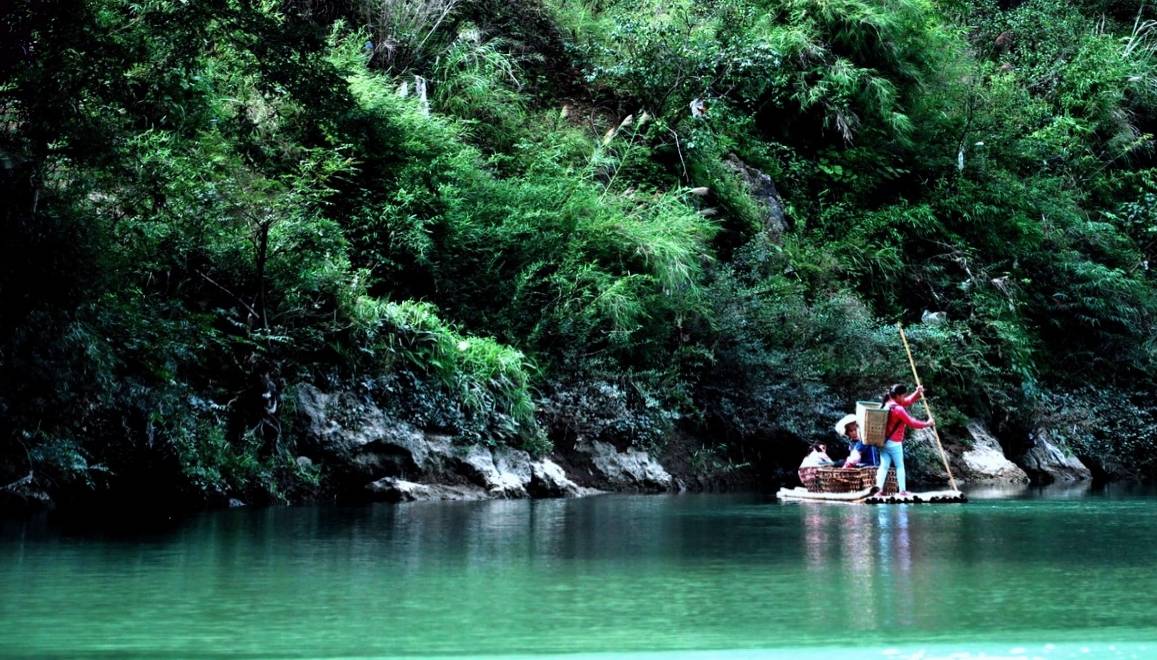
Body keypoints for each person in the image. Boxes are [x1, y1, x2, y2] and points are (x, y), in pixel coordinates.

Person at [873, 384, 934, 497]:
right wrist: (927, 424)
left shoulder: (886, 404)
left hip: (883, 442)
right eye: (903, 395)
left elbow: (907, 401)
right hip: (894, 442)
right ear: (897, 395)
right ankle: (902, 491)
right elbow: (911, 423)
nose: (904, 397)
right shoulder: (898, 409)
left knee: (884, 466)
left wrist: (917, 392)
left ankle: (879, 490)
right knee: (900, 466)